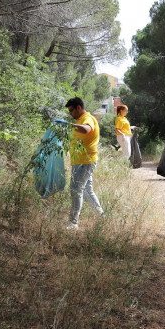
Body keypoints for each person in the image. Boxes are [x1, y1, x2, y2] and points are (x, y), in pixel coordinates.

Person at [65, 97, 104, 230]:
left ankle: (73, 223)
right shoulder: (79, 120)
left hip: (85, 162)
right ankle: (102, 217)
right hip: (80, 161)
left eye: (71, 110)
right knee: (87, 190)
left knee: (76, 189)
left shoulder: (87, 118)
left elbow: (87, 129)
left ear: (79, 108)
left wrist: (72, 126)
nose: (70, 114)